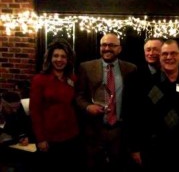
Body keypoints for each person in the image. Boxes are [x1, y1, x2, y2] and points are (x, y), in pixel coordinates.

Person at [126, 39, 179, 172]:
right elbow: (133, 117)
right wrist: (134, 148)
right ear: (160, 57)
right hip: (152, 150)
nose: (169, 57)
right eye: (165, 54)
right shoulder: (144, 83)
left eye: (174, 53)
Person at [75, 32, 137, 172]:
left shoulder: (130, 69)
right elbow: (78, 96)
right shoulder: (86, 67)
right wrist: (88, 107)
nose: (107, 48)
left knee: (117, 169)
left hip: (119, 131)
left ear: (119, 49)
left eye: (111, 45)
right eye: (104, 45)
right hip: (94, 130)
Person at [29, 38, 85, 172]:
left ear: (68, 59)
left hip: (72, 135)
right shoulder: (39, 80)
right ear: (49, 58)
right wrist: (41, 139)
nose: (59, 60)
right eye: (56, 56)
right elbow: (35, 111)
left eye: (63, 56)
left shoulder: (72, 79)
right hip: (50, 137)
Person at [123, 38, 164, 169]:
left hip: (168, 142)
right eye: (148, 49)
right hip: (144, 144)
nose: (151, 53)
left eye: (155, 49)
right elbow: (129, 114)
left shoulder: (172, 75)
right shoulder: (133, 77)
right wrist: (134, 148)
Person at [0, 91, 32, 171]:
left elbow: (25, 124)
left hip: (17, 141)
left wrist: (24, 136)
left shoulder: (22, 106)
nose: (15, 111)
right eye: (11, 108)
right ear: (3, 104)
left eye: (16, 107)